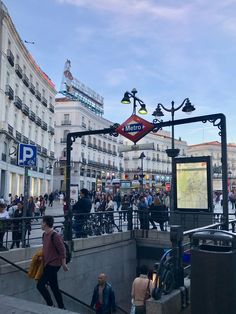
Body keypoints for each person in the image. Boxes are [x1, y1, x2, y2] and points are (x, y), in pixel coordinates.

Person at [37, 215, 68, 309]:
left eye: (42, 222)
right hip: (47, 262)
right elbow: (47, 249)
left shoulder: (55, 235)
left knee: (40, 285)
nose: (40, 224)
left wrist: (63, 263)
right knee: (54, 287)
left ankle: (50, 305)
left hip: (54, 264)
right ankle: (62, 307)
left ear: (45, 223)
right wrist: (42, 257)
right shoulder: (44, 235)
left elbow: (62, 250)